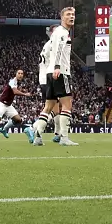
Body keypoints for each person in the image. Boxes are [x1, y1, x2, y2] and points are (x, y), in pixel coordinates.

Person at [31, 7, 77, 146]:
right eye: (68, 14)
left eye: (73, 14)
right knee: (67, 105)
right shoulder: (62, 32)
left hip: (48, 74)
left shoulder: (56, 34)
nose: (72, 17)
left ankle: (38, 136)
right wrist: (58, 67)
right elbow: (58, 50)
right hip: (61, 72)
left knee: (48, 106)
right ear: (62, 17)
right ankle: (64, 137)